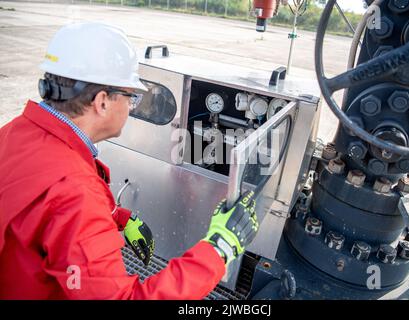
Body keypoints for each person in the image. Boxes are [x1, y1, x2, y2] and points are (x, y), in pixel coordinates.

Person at [0, 22, 259, 299]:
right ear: (102, 102)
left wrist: (118, 218)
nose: (132, 106)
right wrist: (220, 248)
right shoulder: (76, 192)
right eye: (131, 97)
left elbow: (42, 209)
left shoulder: (14, 132)